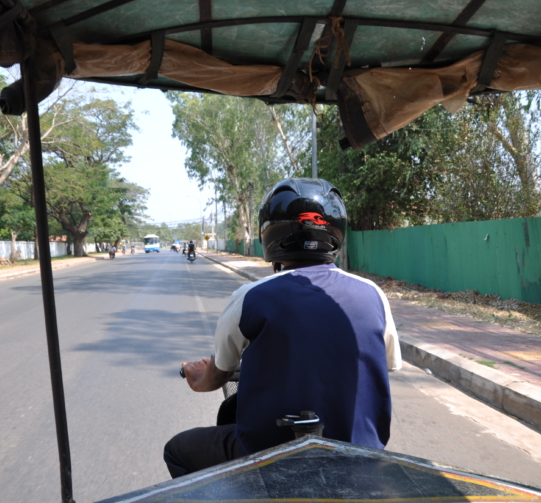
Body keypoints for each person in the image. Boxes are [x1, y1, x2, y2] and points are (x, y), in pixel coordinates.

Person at [164, 177, 401, 478]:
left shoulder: (249, 298)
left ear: (269, 234)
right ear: (337, 232)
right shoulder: (374, 294)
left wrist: (199, 378)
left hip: (269, 456)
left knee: (177, 449)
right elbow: (387, 365)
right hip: (360, 455)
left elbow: (218, 373)